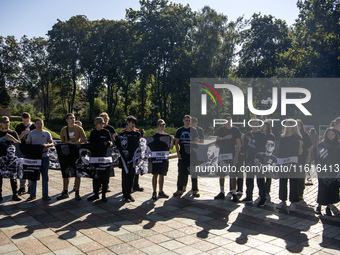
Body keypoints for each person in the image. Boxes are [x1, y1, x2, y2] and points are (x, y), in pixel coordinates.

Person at [57, 113, 87, 200]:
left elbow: (84, 141)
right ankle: (65, 191)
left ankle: (77, 192)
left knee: (78, 172)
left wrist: (74, 143)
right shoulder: (63, 129)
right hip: (66, 153)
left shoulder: (79, 128)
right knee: (66, 172)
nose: (73, 120)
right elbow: (62, 141)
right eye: (71, 118)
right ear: (67, 120)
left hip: (76, 152)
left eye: (73, 118)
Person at [277, 119, 303, 211]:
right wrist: (278, 162)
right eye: (286, 125)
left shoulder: (297, 137)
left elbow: (299, 152)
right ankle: (283, 200)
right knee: (282, 181)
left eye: (289, 125)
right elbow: (279, 150)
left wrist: (300, 146)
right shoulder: (282, 137)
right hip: (283, 161)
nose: (287, 127)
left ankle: (293, 202)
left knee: (293, 182)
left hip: (293, 161)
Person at [214, 113, 241, 202]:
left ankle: (234, 193)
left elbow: (238, 144)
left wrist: (236, 157)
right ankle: (222, 192)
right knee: (221, 174)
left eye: (230, 119)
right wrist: (225, 138)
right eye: (227, 119)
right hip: (222, 154)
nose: (228, 121)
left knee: (233, 174)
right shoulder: (220, 130)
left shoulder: (236, 130)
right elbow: (217, 142)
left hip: (232, 154)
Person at [26, 118, 54, 201]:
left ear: (43, 124)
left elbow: (52, 143)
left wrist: (47, 145)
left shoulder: (46, 133)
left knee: (45, 175)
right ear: (34, 125)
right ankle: (32, 195)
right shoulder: (31, 133)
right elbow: (28, 145)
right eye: (37, 123)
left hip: (45, 156)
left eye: (41, 123)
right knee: (33, 176)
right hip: (35, 158)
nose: (39, 125)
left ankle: (45, 195)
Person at [241, 119, 267, 207]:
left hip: (259, 160)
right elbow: (244, 147)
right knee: (249, 179)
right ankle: (249, 196)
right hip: (249, 160)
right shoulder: (247, 134)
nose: (255, 126)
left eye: (256, 124)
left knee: (260, 179)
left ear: (259, 125)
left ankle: (262, 198)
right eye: (253, 124)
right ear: (251, 125)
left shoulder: (262, 134)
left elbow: (263, 147)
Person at [87, 117, 113, 202]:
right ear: (96, 124)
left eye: (103, 123)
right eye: (100, 123)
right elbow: (91, 144)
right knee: (95, 176)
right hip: (95, 158)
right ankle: (95, 194)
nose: (102, 125)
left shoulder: (106, 132)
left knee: (105, 177)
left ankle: (104, 195)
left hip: (105, 157)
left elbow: (111, 142)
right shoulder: (93, 133)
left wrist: (110, 143)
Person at [315, 127, 340, 216]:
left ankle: (328, 207)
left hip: (335, 170)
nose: (331, 136)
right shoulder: (322, 144)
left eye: (332, 134)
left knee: (332, 189)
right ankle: (319, 206)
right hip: (323, 169)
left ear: (335, 135)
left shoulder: (338, 145)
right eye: (329, 134)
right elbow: (318, 158)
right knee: (322, 188)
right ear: (326, 134)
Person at [173, 115, 199, 197]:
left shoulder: (194, 130)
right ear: (183, 120)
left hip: (193, 155)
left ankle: (195, 190)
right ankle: (180, 189)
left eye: (189, 120)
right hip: (183, 155)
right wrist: (178, 153)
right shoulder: (179, 130)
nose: (188, 122)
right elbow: (176, 143)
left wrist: (187, 142)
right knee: (181, 173)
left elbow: (197, 141)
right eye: (186, 120)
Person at [118, 116, 141, 202]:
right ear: (128, 122)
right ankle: (124, 194)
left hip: (133, 159)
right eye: (132, 123)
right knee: (125, 177)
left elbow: (140, 146)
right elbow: (118, 145)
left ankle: (129, 193)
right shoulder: (122, 134)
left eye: (134, 123)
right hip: (125, 160)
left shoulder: (137, 134)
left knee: (132, 176)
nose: (133, 125)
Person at [151, 119, 174, 200]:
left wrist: (172, 140)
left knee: (162, 175)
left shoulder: (167, 137)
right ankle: (154, 191)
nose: (162, 127)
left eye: (163, 125)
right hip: (155, 159)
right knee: (155, 175)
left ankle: (161, 191)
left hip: (163, 159)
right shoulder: (154, 137)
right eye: (161, 125)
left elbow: (171, 148)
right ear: (157, 126)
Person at [0, 116, 21, 201]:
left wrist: (11, 138)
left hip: (12, 158)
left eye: (7, 122)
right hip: (1, 158)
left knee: (13, 177)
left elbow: (18, 143)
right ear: (1, 123)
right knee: (0, 176)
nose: (6, 124)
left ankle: (15, 194)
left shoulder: (13, 132)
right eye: (4, 122)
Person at [15, 112, 36, 195]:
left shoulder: (33, 126)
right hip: (22, 149)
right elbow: (17, 139)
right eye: (24, 121)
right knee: (22, 167)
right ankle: (22, 186)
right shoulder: (19, 126)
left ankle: (30, 186)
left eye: (27, 121)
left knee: (30, 167)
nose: (25, 123)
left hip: (31, 149)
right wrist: (23, 133)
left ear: (30, 119)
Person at [296, 119, 312, 201]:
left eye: (299, 125)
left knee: (301, 176)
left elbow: (310, 147)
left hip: (302, 157)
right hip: (294, 158)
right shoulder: (292, 134)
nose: (298, 127)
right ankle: (295, 192)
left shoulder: (305, 134)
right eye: (296, 125)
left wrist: (308, 157)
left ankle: (300, 193)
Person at [260, 121, 276, 199]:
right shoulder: (260, 135)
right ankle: (262, 190)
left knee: (269, 174)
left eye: (265, 126)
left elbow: (273, 146)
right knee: (261, 174)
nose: (263, 127)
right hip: (262, 157)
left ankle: (267, 190)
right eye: (262, 126)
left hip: (269, 157)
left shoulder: (271, 136)